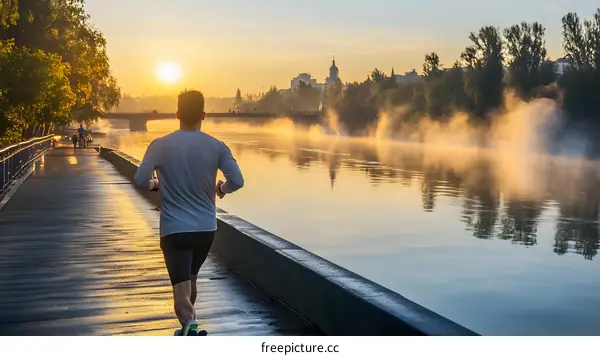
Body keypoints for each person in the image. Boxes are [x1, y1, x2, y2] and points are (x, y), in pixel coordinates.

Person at [133, 89, 244, 336]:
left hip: (175, 230)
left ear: (177, 114)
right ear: (203, 115)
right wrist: (221, 189)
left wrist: (155, 184)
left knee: (180, 288)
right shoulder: (217, 146)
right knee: (190, 279)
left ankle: (189, 326)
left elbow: (140, 180)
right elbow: (237, 181)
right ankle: (189, 327)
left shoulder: (160, 145)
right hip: (206, 229)